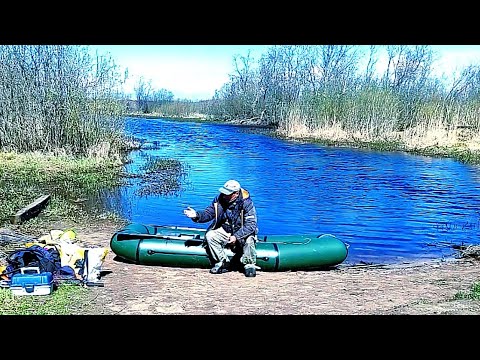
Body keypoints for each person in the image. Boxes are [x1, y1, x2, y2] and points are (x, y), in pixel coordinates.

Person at [183, 179, 258, 277]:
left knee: (249, 241)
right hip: (226, 229)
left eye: (228, 194)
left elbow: (251, 224)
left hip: (241, 231)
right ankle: (223, 262)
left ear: (236, 193)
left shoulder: (247, 203)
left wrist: (236, 236)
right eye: (223, 193)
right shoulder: (219, 200)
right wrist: (196, 215)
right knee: (210, 236)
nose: (224, 195)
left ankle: (249, 264)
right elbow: (209, 213)